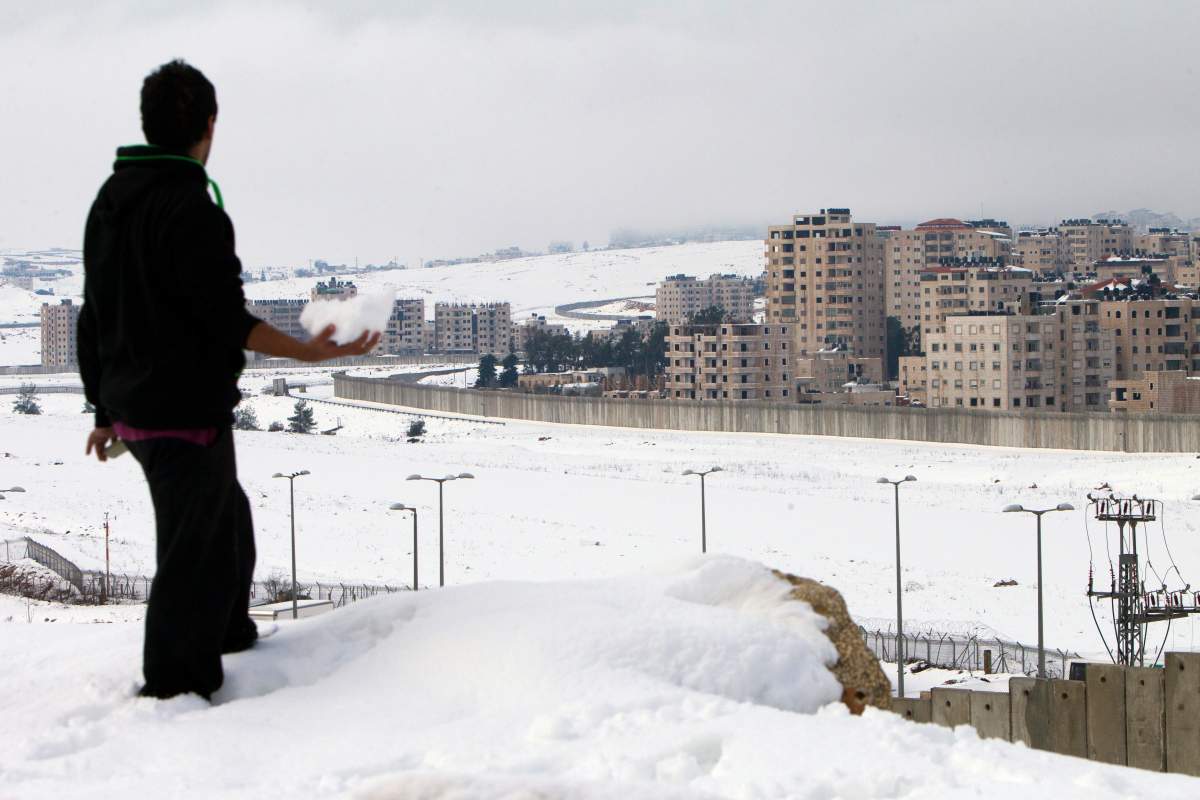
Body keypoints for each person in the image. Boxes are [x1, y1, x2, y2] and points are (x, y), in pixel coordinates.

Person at [78, 60, 380, 701]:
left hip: (137, 405)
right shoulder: (189, 208)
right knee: (191, 550)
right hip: (182, 413)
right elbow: (224, 317)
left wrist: (103, 409)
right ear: (209, 125)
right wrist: (304, 353)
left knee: (225, 526)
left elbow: (94, 312)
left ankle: (227, 632)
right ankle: (175, 687)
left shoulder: (111, 200)